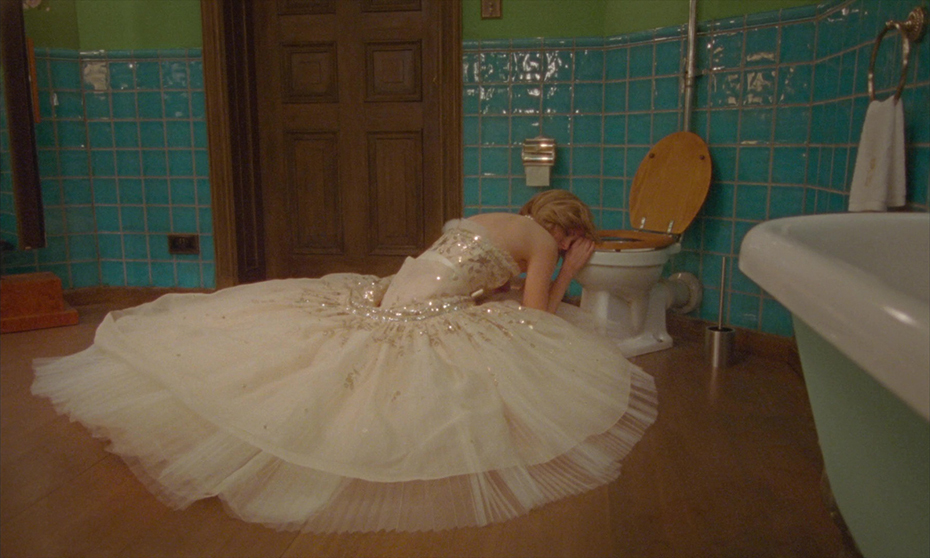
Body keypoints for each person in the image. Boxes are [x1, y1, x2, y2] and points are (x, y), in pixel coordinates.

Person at [32, 189, 657, 533]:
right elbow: (536, 322)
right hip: (418, 310)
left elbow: (472, 274)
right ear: (568, 232)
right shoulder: (548, 243)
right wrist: (567, 273)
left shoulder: (500, 218)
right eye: (579, 244)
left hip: (396, 286)